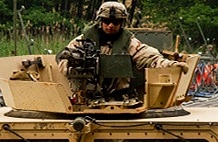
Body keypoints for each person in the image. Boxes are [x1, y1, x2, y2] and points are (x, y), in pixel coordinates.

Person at [58, 1, 188, 98]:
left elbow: (150, 58)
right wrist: (76, 69)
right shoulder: (81, 42)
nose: (110, 25)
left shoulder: (130, 44)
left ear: (122, 23)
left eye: (116, 22)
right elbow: (62, 60)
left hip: (119, 100)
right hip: (84, 99)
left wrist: (171, 65)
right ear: (100, 21)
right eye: (106, 21)